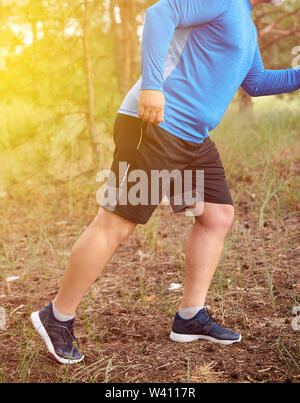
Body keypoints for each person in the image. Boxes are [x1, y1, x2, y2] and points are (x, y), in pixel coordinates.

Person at [31, 0, 299, 364]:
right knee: (116, 223)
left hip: (191, 137)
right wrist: (151, 86)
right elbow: (160, 13)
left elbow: (255, 82)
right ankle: (57, 316)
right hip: (156, 125)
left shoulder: (246, 23)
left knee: (216, 215)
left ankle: (190, 317)